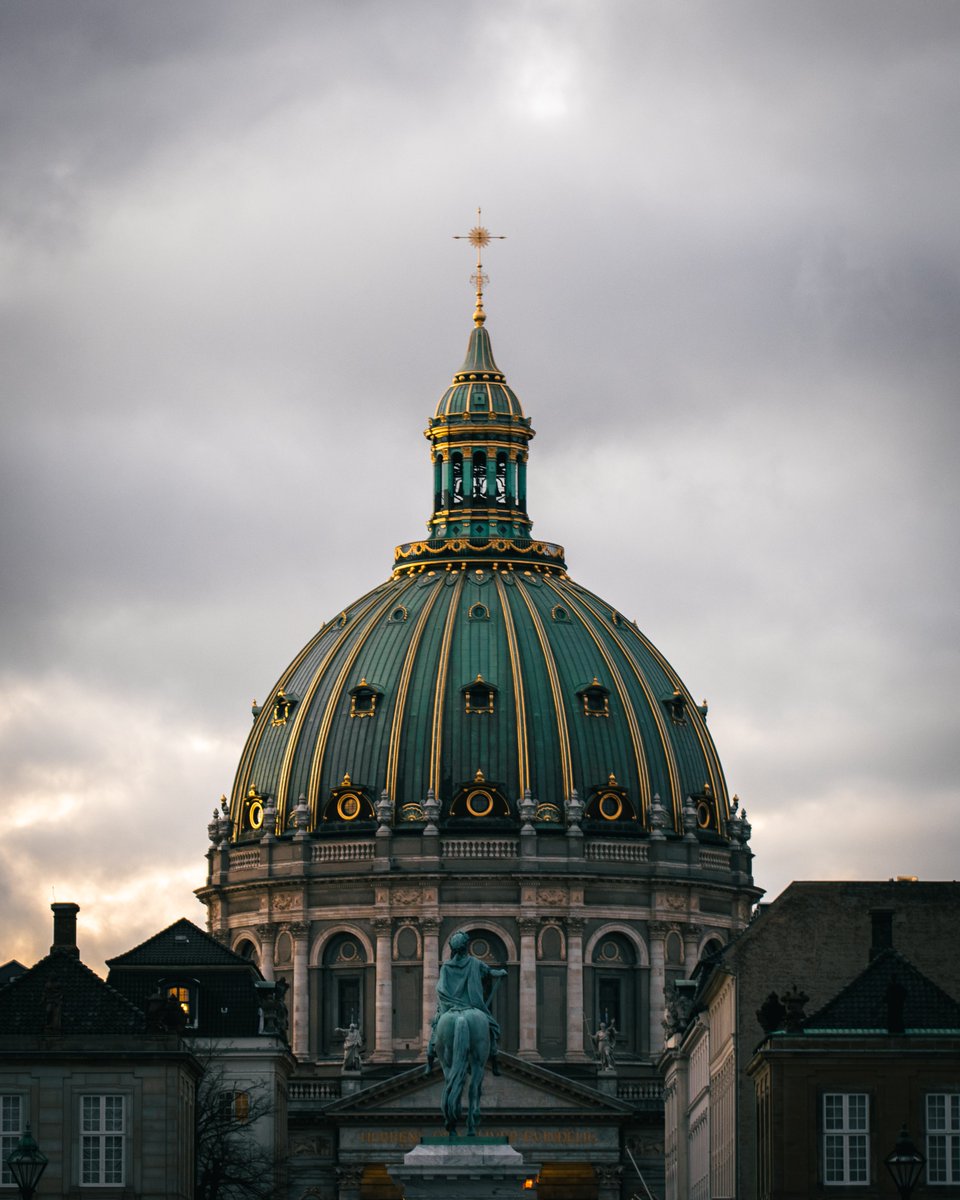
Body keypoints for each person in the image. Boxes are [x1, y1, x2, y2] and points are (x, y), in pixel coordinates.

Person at [425, 931, 506, 1075]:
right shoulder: (474, 962)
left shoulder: (446, 966)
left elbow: (441, 989)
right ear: (466, 946)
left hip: (450, 1005)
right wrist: (501, 973)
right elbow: (490, 972)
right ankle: (494, 1059)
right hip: (472, 1005)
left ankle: (430, 1061)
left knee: (436, 1027)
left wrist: (448, 1001)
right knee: (492, 1027)